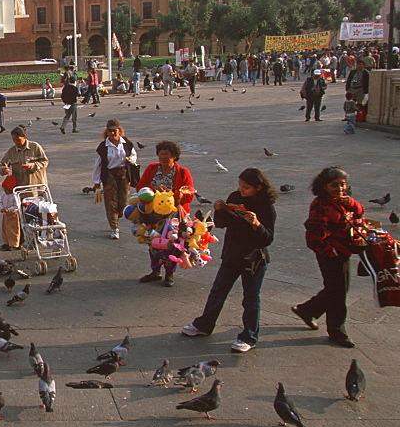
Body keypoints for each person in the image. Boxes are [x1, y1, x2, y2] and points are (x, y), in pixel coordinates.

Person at [181, 168, 277, 352]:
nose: (241, 190)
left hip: (253, 258)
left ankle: (249, 336)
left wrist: (256, 224)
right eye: (240, 186)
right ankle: (204, 325)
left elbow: (268, 239)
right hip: (232, 253)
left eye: (246, 188)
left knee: (250, 298)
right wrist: (220, 210)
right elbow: (223, 223)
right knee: (218, 291)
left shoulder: (266, 206)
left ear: (258, 188)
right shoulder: (235, 196)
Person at [292, 166, 365, 348]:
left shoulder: (344, 201)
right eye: (335, 185)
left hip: (343, 251)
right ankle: (337, 331)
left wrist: (350, 203)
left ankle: (307, 310)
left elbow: (359, 212)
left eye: (343, 185)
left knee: (337, 289)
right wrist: (329, 251)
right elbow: (315, 235)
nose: (340, 189)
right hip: (330, 253)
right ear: (325, 186)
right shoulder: (321, 204)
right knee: (338, 292)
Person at [135, 140, 195, 287]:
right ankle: (155, 271)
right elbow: (140, 187)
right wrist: (154, 187)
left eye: (166, 154)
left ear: (174, 156)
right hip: (153, 213)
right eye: (160, 154)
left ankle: (170, 273)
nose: (162, 157)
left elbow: (190, 195)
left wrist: (171, 194)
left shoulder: (182, 172)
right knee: (153, 242)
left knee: (172, 244)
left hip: (173, 216)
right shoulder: (152, 168)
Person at [92, 119, 137, 239]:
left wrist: (131, 160)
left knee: (124, 202)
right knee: (111, 202)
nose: (112, 134)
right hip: (109, 176)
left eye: (114, 131)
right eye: (109, 131)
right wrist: (96, 183)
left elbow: (133, 155)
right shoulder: (103, 147)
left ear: (119, 131)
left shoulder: (126, 143)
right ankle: (114, 227)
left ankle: (118, 216)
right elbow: (98, 165)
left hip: (123, 174)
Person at [0, 174, 20, 250]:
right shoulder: (4, 194)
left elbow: (16, 206)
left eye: (6, 189)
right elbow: (0, 202)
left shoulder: (14, 195)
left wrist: (9, 209)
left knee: (13, 229)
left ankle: (14, 244)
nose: (5, 191)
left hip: (13, 214)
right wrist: (2, 208)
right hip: (5, 214)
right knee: (5, 228)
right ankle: (6, 242)